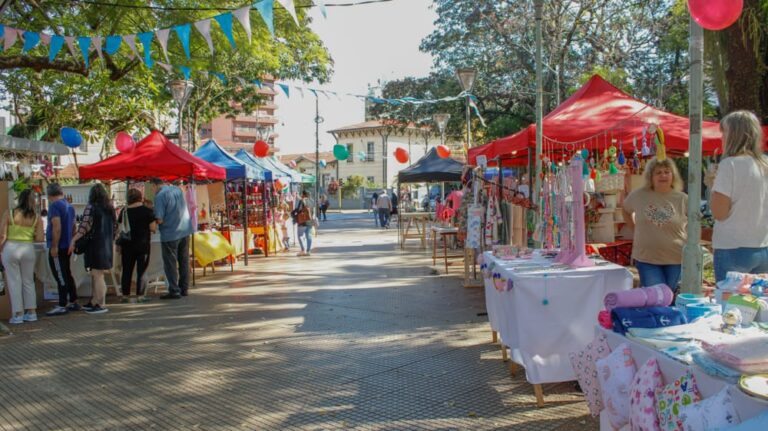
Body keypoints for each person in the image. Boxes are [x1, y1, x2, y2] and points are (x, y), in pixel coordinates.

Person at [710, 110, 768, 282]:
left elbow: (719, 212)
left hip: (732, 247)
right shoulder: (765, 164)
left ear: (735, 134)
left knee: (730, 306)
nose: (722, 138)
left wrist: (713, 186)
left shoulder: (730, 164)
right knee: (758, 305)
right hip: (762, 245)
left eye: (724, 133)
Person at [622, 158, 687, 289]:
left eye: (667, 172)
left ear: (673, 175)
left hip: (676, 258)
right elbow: (625, 209)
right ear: (650, 176)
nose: (663, 175)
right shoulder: (638, 195)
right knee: (656, 297)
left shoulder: (682, 198)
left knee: (671, 298)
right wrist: (635, 229)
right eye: (658, 172)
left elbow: (695, 221)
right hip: (647, 258)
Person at [69, 183, 116, 314]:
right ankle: (94, 301)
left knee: (97, 275)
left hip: (95, 246)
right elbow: (115, 229)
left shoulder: (91, 207)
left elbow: (84, 227)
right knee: (97, 275)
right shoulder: (110, 209)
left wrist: (73, 240)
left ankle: (101, 304)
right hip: (106, 245)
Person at [0, 189, 44, 324]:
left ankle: (17, 314)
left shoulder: (9, 213)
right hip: (28, 249)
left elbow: (2, 236)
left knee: (14, 281)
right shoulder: (37, 217)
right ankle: (31, 312)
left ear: (19, 199)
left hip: (10, 248)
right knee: (28, 281)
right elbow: (40, 238)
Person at [150, 178, 192, 299]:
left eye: (151, 187)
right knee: (184, 261)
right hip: (184, 230)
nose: (152, 190)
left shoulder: (159, 196)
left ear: (154, 185)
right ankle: (184, 288)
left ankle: (174, 290)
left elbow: (160, 219)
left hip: (170, 233)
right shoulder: (177, 190)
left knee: (170, 263)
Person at [45, 183, 79, 316]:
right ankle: (73, 299)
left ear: (49, 195)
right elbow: (73, 226)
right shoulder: (69, 205)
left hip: (59, 246)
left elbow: (56, 227)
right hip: (67, 245)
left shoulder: (54, 206)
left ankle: (62, 304)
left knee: (60, 275)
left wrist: (54, 246)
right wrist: (72, 241)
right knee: (66, 273)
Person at [118, 189, 157, 303]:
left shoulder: (123, 211)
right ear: (140, 197)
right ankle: (140, 296)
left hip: (127, 245)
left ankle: (125, 295)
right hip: (142, 244)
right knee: (142, 271)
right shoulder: (147, 211)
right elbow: (153, 228)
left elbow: (120, 228)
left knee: (127, 270)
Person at [294, 191, 314, 256]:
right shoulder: (311, 201)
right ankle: (308, 251)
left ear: (303, 195)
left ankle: (303, 250)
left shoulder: (301, 201)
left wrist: (294, 213)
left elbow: (298, 210)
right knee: (309, 236)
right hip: (310, 221)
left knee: (300, 236)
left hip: (302, 221)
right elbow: (313, 212)